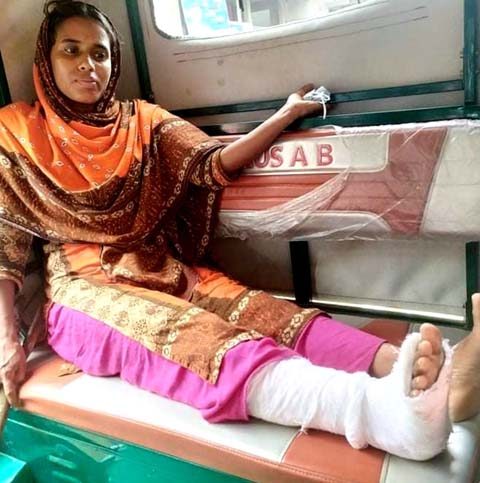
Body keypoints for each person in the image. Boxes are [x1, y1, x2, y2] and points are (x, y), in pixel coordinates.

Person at [0, 0, 478, 461]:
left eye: (100, 53)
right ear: (46, 60)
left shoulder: (141, 121)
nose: (88, 65)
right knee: (194, 336)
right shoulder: (16, 133)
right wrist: (6, 340)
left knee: (268, 312)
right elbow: (5, 246)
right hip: (84, 292)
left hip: (162, 266)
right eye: (71, 50)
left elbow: (213, 164)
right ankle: (378, 414)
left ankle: (415, 371)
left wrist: (286, 113)